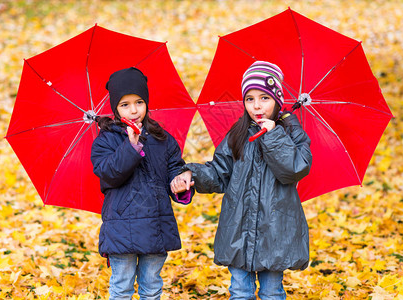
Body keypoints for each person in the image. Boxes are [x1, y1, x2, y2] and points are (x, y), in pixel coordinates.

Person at [171, 61, 312, 299]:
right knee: (239, 291)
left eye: (264, 98)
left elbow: (293, 169)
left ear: (277, 99)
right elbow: (219, 172)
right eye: (250, 99)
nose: (257, 106)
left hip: (275, 230)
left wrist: (274, 136)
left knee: (271, 291)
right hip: (238, 227)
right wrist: (192, 174)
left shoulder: (290, 133)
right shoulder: (238, 134)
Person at [91, 67, 194, 300]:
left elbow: (174, 168)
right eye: (125, 105)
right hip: (120, 228)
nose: (134, 110)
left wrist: (181, 181)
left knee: (152, 286)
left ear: (146, 102)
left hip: (156, 225)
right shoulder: (105, 140)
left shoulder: (162, 138)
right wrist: (131, 146)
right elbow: (109, 173)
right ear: (115, 108)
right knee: (122, 287)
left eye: (139, 102)